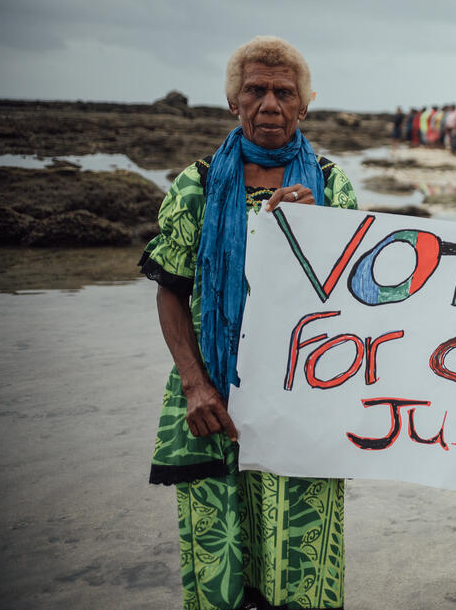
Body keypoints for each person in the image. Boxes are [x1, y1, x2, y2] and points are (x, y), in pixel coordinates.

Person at [140, 36, 357, 609]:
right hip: (212, 400)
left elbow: (358, 302)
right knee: (218, 567)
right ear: (233, 101)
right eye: (255, 90)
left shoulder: (331, 188)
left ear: (304, 105)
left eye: (284, 93)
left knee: (302, 566)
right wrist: (194, 384)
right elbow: (171, 290)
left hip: (302, 402)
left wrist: (317, 230)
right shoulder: (197, 183)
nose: (269, 104)